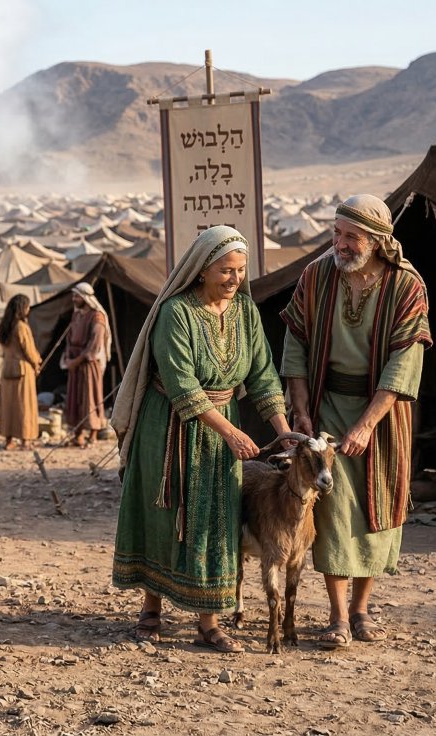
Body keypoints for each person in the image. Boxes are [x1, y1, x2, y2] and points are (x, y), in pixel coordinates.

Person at [110, 226, 292, 653]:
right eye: (226, 270)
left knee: (216, 519)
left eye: (241, 270)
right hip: (168, 427)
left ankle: (209, 622)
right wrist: (230, 431)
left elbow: (263, 375)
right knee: (164, 511)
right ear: (202, 270)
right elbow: (182, 385)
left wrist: (282, 431)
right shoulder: (176, 313)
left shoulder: (246, 313)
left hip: (219, 430)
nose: (234, 278)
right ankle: (150, 609)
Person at [279, 194, 431, 649]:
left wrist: (366, 425)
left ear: (378, 240)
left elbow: (403, 364)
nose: (340, 244)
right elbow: (296, 345)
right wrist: (302, 409)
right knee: (334, 507)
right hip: (327, 408)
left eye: (351, 237)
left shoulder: (407, 286)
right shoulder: (317, 274)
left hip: (383, 414)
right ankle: (338, 616)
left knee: (376, 509)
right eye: (336, 234)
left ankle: (363, 609)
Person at [62, 282, 112, 446]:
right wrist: (69, 358)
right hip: (75, 364)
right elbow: (70, 339)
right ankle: (78, 433)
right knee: (74, 397)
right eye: (74, 295)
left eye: (77, 296)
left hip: (89, 363)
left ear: (85, 297)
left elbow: (94, 344)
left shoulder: (97, 317)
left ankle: (93, 433)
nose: (74, 299)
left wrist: (77, 361)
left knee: (90, 397)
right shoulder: (76, 315)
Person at [0, 294, 41, 450]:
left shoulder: (5, 326)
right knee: (24, 406)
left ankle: (9, 440)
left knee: (8, 406)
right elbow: (28, 350)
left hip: (7, 370)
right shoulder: (21, 327)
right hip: (23, 370)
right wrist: (37, 362)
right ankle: (25, 440)